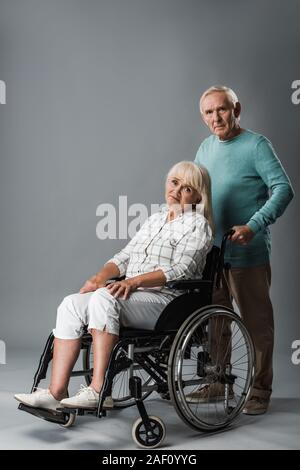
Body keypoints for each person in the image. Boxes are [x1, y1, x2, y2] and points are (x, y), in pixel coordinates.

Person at [14, 161, 214, 411]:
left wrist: (133, 281)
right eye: (174, 182)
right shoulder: (156, 219)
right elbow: (125, 256)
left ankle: (99, 391)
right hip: (135, 295)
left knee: (104, 298)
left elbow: (180, 270)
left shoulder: (197, 225)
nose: (177, 190)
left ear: (198, 195)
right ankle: (56, 392)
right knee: (71, 304)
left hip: (168, 301)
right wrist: (98, 278)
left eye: (187, 188)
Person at [187, 85, 294, 415]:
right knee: (216, 323)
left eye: (222, 109)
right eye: (209, 112)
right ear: (203, 117)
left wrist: (254, 225)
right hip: (213, 254)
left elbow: (283, 189)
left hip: (248, 254)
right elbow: (195, 193)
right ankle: (218, 381)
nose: (216, 117)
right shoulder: (205, 148)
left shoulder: (257, 145)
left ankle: (260, 389)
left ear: (237, 109)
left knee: (256, 324)